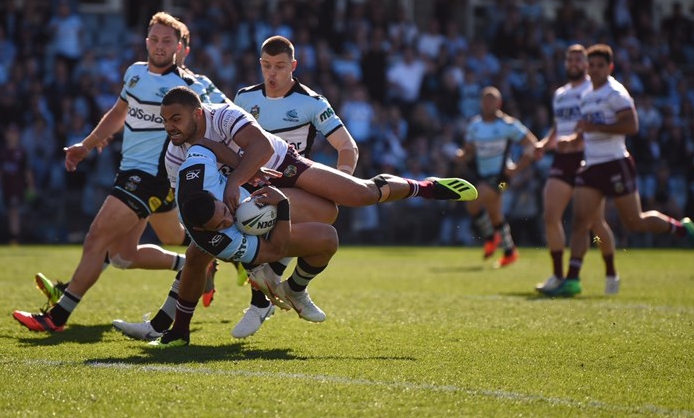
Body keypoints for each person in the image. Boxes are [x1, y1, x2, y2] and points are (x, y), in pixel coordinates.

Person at [112, 86, 477, 345]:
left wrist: (235, 182)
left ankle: (426, 187)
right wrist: (216, 228)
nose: (170, 126)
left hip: (281, 165)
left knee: (357, 196)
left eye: (175, 118)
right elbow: (193, 205)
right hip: (244, 197)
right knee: (195, 256)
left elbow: (256, 147)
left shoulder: (223, 115)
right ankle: (174, 329)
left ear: (198, 113)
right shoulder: (175, 154)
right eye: (165, 121)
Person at [12, 12, 215, 332]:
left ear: (179, 46)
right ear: (146, 41)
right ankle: (200, 262)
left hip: (152, 176)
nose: (160, 46)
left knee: (97, 236)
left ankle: (57, 316)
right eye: (155, 39)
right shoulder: (134, 73)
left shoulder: (185, 86)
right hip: (130, 169)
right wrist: (87, 145)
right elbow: (119, 112)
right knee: (126, 253)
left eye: (167, 41)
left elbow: (202, 128)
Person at [542, 44, 694, 297]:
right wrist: (572, 141)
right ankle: (572, 279)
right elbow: (586, 130)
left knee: (634, 222)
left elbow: (631, 126)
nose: (595, 70)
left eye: (600, 66)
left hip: (616, 163)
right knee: (580, 222)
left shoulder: (615, 93)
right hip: (591, 165)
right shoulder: (586, 97)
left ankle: (680, 229)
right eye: (592, 65)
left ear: (610, 68)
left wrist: (595, 127)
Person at [228, 35, 358, 337]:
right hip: (251, 188)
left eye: (280, 67)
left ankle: (277, 290)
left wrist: (343, 180)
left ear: (293, 66)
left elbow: (347, 146)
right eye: (266, 66)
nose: (272, 74)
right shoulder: (245, 98)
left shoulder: (311, 102)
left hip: (292, 187)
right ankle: (270, 295)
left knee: (328, 211)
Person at [151, 142, 339, 348]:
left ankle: (292, 288)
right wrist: (282, 204)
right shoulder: (220, 241)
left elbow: (205, 145)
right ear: (206, 230)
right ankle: (180, 329)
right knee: (328, 238)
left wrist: (246, 171)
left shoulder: (196, 170)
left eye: (223, 212)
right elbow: (276, 249)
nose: (228, 221)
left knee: (328, 209)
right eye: (220, 225)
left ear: (214, 195)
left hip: (251, 196)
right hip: (258, 237)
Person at [534, 45, 619, 295]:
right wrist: (544, 143)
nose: (573, 63)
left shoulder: (591, 90)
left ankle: (611, 272)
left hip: (587, 157)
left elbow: (590, 123)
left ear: (585, 64)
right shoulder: (560, 94)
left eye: (578, 59)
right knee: (550, 215)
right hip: (562, 159)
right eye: (569, 58)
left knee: (594, 223)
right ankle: (559, 275)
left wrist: (576, 140)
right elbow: (558, 127)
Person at [456, 87, 538, 267]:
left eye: (492, 100)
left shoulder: (508, 125)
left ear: (499, 103)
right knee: (495, 214)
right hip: (484, 176)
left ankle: (490, 238)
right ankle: (510, 251)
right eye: (485, 100)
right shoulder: (474, 126)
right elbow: (469, 151)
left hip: (502, 180)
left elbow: (533, 144)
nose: (488, 104)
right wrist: (462, 155)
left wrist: (517, 168)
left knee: (473, 201)